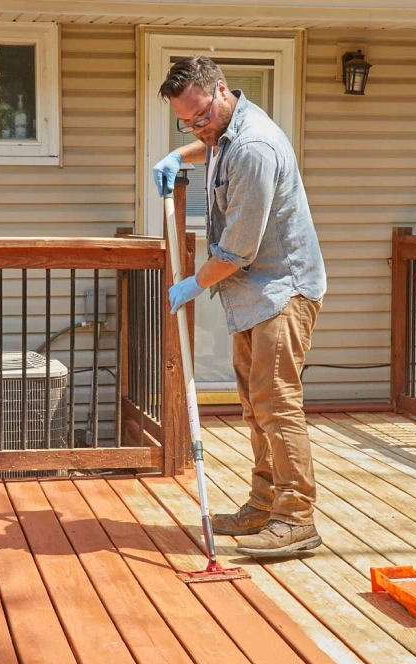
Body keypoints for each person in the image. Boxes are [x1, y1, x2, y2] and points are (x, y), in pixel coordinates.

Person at [153, 55, 326, 557]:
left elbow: (237, 251)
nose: (196, 126)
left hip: (280, 291)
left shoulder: (253, 147)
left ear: (222, 91)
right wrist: (180, 155)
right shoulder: (224, 134)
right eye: (186, 121)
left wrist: (191, 283)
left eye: (201, 116)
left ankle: (296, 519)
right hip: (254, 295)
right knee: (255, 407)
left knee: (276, 405)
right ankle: (263, 504)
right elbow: (212, 148)